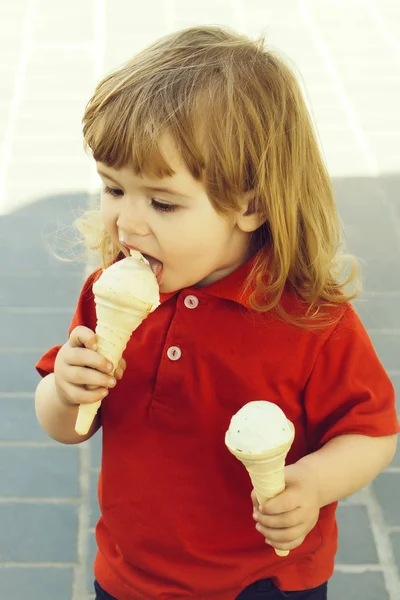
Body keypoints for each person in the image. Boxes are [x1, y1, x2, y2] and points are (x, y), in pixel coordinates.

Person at [35, 26, 399, 600]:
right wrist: (63, 391)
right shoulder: (108, 292)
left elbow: (372, 433)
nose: (127, 222)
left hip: (264, 581)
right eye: (112, 188)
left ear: (250, 204)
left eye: (162, 202)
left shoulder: (312, 321)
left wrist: (314, 483)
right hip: (130, 573)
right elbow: (67, 429)